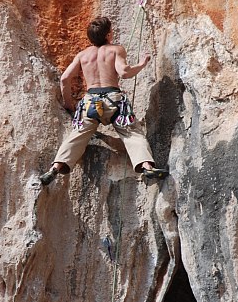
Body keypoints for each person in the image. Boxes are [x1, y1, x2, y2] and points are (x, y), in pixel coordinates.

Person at [40, 16, 168, 185]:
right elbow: (124, 73)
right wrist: (142, 64)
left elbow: (64, 79)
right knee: (132, 133)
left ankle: (55, 168)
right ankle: (146, 166)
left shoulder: (82, 55)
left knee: (78, 134)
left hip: (90, 102)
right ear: (108, 35)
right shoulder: (116, 50)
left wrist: (69, 103)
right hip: (113, 101)